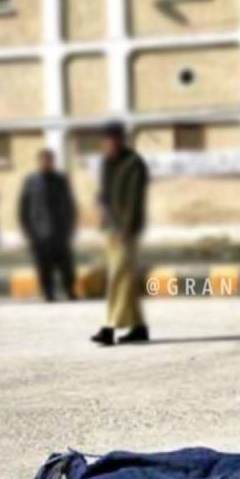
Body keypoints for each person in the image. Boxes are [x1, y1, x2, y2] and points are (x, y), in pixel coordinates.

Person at [91, 123, 149, 346]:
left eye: (114, 139)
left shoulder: (134, 163)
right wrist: (101, 211)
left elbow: (134, 201)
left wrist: (126, 229)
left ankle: (109, 327)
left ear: (121, 140)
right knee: (125, 278)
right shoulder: (106, 163)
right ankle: (139, 327)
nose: (110, 144)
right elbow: (104, 194)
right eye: (107, 140)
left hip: (127, 231)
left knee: (118, 276)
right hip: (110, 229)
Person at [20, 149, 78, 302]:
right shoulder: (31, 182)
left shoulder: (60, 180)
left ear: (53, 162)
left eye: (49, 160)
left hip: (59, 230)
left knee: (66, 264)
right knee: (43, 265)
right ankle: (48, 292)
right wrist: (28, 231)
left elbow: (69, 204)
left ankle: (70, 290)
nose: (46, 163)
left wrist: (69, 226)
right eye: (44, 160)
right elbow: (24, 207)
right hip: (39, 232)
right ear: (39, 162)